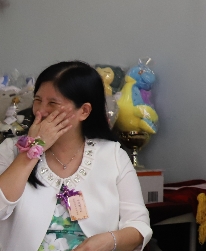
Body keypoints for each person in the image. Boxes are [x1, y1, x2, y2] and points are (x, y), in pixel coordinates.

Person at [0, 61, 152, 251]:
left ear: (84, 111)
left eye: (52, 103)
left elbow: (139, 225)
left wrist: (109, 241)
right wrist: (32, 150)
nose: (41, 111)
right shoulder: (10, 150)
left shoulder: (112, 155)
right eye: (38, 100)